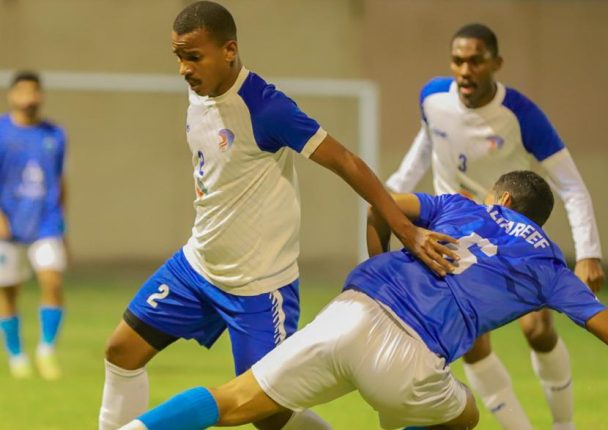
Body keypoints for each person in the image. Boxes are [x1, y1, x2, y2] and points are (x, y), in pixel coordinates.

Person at [119, 170, 608, 430]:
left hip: (351, 313)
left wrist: (380, 256)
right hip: (410, 360)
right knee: (467, 417)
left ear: (501, 199)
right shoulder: (549, 265)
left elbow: (382, 203)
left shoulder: (461, 206)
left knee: (232, 401)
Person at [97, 2, 457, 430]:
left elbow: (346, 161)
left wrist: (406, 230)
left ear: (229, 50)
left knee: (269, 418)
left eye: (193, 57)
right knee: (121, 351)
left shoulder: (266, 108)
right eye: (178, 57)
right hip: (197, 267)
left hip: (259, 287)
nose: (183, 69)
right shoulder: (199, 92)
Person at [386, 23, 605, 429]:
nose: (465, 70)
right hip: (456, 229)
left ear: (496, 63)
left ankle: (564, 424)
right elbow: (429, 142)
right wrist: (394, 189)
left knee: (538, 328)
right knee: (471, 342)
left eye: (475, 61)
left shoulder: (522, 115)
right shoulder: (432, 97)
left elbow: (571, 185)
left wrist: (589, 253)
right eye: (458, 61)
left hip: (511, 234)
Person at [0, 71, 68, 381]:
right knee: (8, 291)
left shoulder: (55, 134)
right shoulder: (2, 132)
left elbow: (60, 179)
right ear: (12, 95)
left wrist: (63, 224)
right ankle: (17, 356)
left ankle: (46, 350)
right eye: (23, 91)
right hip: (9, 224)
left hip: (46, 223)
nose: (30, 97)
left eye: (34, 91)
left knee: (52, 281)